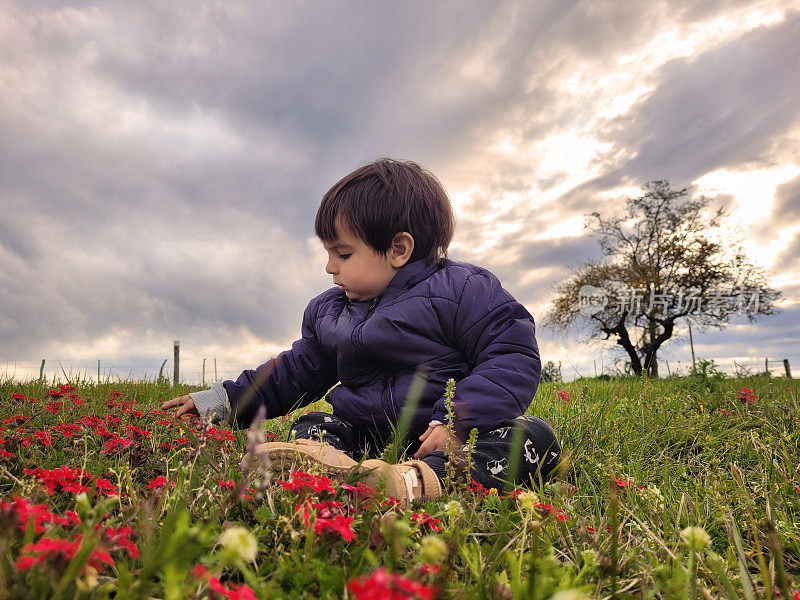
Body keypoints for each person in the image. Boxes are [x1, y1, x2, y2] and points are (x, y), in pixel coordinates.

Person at [161, 158, 560, 506]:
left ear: (398, 249)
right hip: (361, 435)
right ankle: (325, 462)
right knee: (317, 422)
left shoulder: (463, 290)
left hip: (440, 440)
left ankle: (417, 482)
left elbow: (511, 354)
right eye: (328, 254)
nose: (330, 267)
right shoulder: (330, 312)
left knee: (534, 437)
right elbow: (293, 373)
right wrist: (221, 401)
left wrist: (456, 421)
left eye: (343, 254)